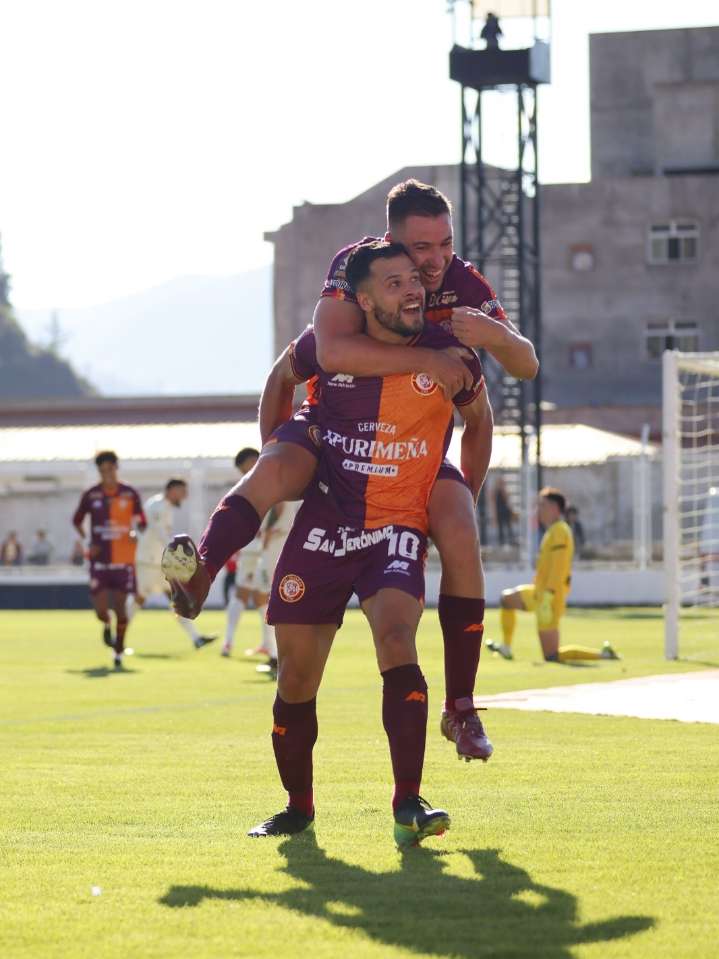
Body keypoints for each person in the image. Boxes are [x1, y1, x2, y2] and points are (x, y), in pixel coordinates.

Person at [163, 180, 535, 759]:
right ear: (386, 250)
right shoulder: (358, 271)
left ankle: (460, 708)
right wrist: (277, 446)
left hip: (410, 457)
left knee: (460, 529)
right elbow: (318, 358)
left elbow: (520, 371)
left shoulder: (462, 287)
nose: (434, 263)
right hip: (332, 441)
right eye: (419, 249)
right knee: (273, 472)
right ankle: (202, 570)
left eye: (445, 244)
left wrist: (493, 337)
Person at [230, 242, 489, 843]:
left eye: (427, 263)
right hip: (327, 515)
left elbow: (486, 415)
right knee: (295, 676)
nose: (422, 276)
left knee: (398, 637)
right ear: (364, 296)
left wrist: (461, 487)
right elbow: (281, 375)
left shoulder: (449, 347)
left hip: (394, 517)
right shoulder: (330, 341)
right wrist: (280, 447)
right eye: (400, 274)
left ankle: (410, 799)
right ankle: (297, 807)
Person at [487, 488, 620, 663]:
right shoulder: (552, 531)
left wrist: (548, 597)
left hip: (550, 598)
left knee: (552, 656)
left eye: (543, 506)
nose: (538, 510)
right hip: (540, 593)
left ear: (555, 509)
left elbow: (559, 568)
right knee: (507, 599)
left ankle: (604, 654)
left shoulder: (559, 531)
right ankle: (506, 648)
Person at [72, 451, 146, 669]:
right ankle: (106, 625)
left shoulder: (130, 493)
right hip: (100, 561)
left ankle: (118, 652)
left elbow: (142, 521)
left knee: (122, 609)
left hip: (124, 560)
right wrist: (87, 543)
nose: (107, 474)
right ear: (99, 471)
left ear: (116, 468)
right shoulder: (91, 494)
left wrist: (136, 534)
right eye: (103, 471)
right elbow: (76, 521)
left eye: (110, 469)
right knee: (101, 610)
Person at [134, 479, 217, 649]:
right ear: (173, 490)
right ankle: (117, 640)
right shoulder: (157, 506)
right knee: (140, 598)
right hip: (149, 561)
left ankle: (196, 638)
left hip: (161, 562)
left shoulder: (165, 507)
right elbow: (157, 532)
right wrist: (175, 549)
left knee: (178, 599)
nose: (184, 497)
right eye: (183, 492)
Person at [222, 448, 273, 658]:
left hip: (256, 546)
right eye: (251, 461)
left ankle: (261, 644)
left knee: (255, 595)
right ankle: (233, 642)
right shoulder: (264, 482)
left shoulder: (243, 487)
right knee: (253, 594)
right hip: (261, 546)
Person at [493, 475, 516, 547]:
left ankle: (511, 541)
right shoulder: (495, 492)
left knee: (508, 527)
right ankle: (502, 542)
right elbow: (493, 504)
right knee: (501, 528)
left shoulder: (503, 490)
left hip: (505, 511)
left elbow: (507, 501)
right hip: (500, 512)